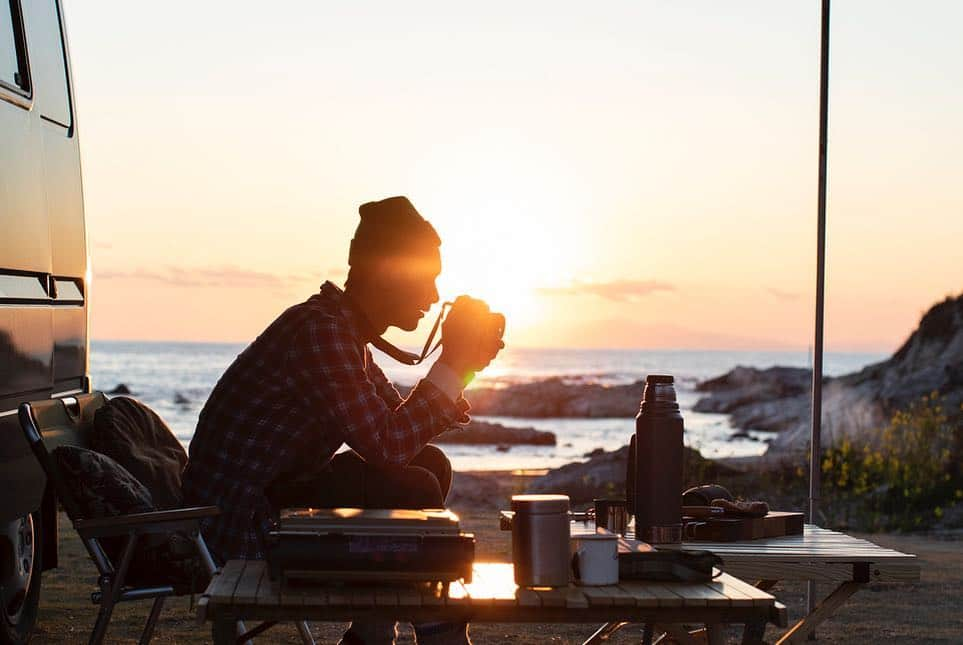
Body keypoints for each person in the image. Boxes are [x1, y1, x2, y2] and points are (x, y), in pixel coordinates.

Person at [182, 196, 503, 645]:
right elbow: (388, 445)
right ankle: (435, 632)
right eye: (426, 280)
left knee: (429, 466)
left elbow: (396, 430)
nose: (433, 297)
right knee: (413, 485)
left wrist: (463, 366)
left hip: (274, 494)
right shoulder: (321, 332)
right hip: (240, 518)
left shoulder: (341, 331)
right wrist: (450, 364)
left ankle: (371, 632)